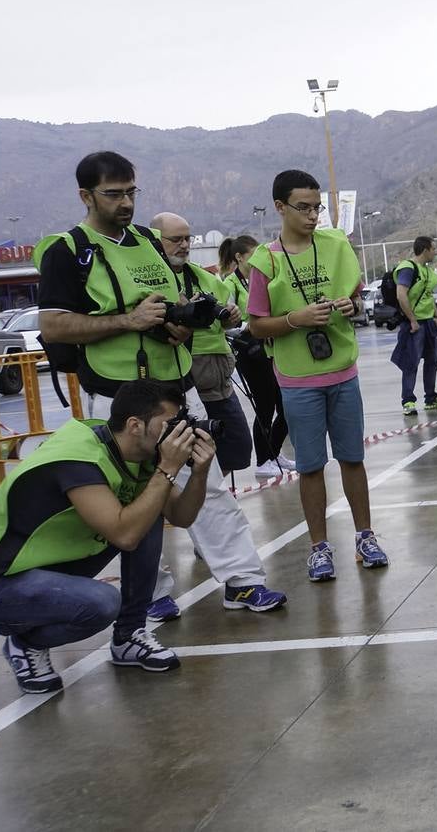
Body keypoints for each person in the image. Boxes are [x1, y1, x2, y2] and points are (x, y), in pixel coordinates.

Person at [36, 152, 286, 618]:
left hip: (174, 386)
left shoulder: (150, 244)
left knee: (203, 479)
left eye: (132, 192)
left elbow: (174, 306)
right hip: (116, 393)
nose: (125, 203)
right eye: (113, 194)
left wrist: (180, 325)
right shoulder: (67, 251)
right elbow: (52, 326)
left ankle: (242, 580)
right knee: (129, 492)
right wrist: (129, 320)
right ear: (85, 196)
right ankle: (150, 593)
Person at [0, 380, 209, 693]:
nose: (178, 433)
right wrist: (167, 468)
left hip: (53, 566)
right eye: (169, 425)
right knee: (101, 603)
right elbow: (125, 536)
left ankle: (129, 636)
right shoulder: (79, 458)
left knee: (150, 508)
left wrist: (199, 472)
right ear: (135, 425)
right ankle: (25, 644)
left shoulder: (133, 450)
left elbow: (182, 516)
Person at [246, 169, 387, 581]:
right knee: (310, 466)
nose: (312, 216)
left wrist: (350, 308)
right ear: (280, 207)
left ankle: (366, 536)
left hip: (342, 371)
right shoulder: (266, 259)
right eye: (302, 208)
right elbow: (256, 325)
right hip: (297, 378)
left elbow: (358, 302)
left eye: (316, 208)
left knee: (352, 459)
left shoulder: (336, 246)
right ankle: (319, 547)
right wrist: (295, 318)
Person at [155, 213, 252, 476]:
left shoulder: (206, 278)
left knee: (238, 450)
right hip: (183, 384)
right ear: (155, 240)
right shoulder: (151, 283)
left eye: (187, 239)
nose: (184, 245)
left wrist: (230, 316)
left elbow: (227, 320)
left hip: (220, 381)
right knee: (197, 463)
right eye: (176, 239)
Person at [218, 235, 293, 478]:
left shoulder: (258, 279)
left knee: (285, 405)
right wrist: (250, 326)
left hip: (270, 348)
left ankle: (273, 451)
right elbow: (224, 324)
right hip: (249, 351)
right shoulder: (230, 284)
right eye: (252, 256)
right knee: (265, 405)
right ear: (239, 258)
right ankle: (262, 461)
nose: (258, 260)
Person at [389, 236, 437, 415]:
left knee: (432, 361)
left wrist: (435, 316)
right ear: (426, 249)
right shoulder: (408, 268)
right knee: (410, 363)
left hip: (428, 323)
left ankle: (430, 398)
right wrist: (412, 320)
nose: (435, 252)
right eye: (433, 249)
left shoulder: (425, 270)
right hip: (414, 325)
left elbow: (427, 295)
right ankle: (408, 401)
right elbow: (401, 294)